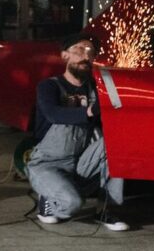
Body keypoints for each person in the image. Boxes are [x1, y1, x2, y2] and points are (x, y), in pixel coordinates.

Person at [26, 33, 129, 231]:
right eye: (80, 50)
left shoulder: (97, 90)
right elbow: (53, 114)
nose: (85, 56)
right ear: (65, 56)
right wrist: (90, 111)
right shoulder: (49, 86)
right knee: (72, 204)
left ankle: (105, 210)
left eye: (90, 52)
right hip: (48, 164)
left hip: (82, 163)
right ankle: (49, 196)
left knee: (116, 142)